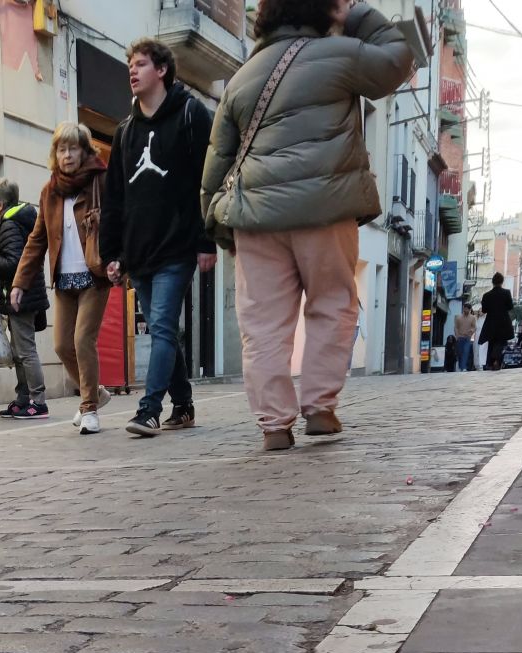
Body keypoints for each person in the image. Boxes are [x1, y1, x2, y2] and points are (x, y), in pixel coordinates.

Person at [200, 0, 413, 450]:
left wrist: (217, 226)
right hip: (325, 208)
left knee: (261, 323)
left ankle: (274, 424)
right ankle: (319, 407)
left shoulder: (243, 75)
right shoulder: (342, 55)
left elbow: (219, 157)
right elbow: (397, 60)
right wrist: (356, 16)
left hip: (256, 216)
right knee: (333, 305)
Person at [99, 38, 216, 438]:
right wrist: (112, 252)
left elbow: (208, 180)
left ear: (162, 70)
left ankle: (149, 409)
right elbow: (114, 196)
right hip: (140, 250)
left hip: (178, 245)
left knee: (163, 325)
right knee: (164, 329)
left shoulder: (190, 114)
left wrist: (206, 239)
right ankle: (182, 405)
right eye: (130, 65)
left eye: (141, 64)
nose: (132, 71)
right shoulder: (125, 131)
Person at [12, 122, 112, 435]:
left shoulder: (100, 181)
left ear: (85, 151)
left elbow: (119, 222)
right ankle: (96, 392)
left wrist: (119, 261)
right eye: (61, 148)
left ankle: (89, 409)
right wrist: (19, 282)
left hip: (94, 276)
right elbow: (37, 239)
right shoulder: (49, 191)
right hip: (64, 280)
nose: (67, 155)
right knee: (60, 345)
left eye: (73, 148)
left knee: (83, 340)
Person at [0, 179, 49, 419]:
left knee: (25, 351)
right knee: (19, 351)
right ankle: (23, 398)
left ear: (0, 203)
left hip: (22, 296)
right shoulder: (18, 222)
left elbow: (15, 262)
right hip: (25, 293)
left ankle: (38, 402)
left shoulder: (10, 225)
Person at [479, 272, 514, 371]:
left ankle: (490, 363)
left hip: (491, 323)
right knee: (501, 342)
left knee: (491, 342)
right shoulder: (506, 293)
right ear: (502, 282)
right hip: (503, 322)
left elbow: (484, 310)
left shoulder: (486, 295)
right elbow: (510, 307)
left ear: (492, 282)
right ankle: (496, 360)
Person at [454, 305, 477, 371]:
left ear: (470, 310)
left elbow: (474, 327)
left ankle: (463, 367)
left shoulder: (472, 318)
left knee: (466, 352)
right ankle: (460, 366)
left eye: (467, 309)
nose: (466, 310)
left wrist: (471, 331)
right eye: (465, 308)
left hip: (467, 337)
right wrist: (457, 335)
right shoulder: (458, 317)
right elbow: (456, 327)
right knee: (460, 352)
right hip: (460, 337)